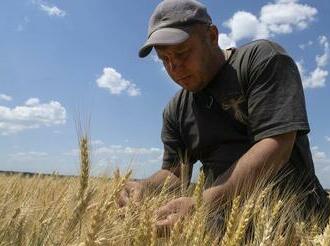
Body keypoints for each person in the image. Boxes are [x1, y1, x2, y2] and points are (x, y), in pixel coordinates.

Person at [118, 0, 330, 230]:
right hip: (225, 231)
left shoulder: (261, 60)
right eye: (165, 60)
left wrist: (204, 202)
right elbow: (176, 173)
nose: (174, 67)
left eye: (182, 52)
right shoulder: (176, 110)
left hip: (298, 224)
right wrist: (145, 186)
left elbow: (277, 144)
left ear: (212, 36)